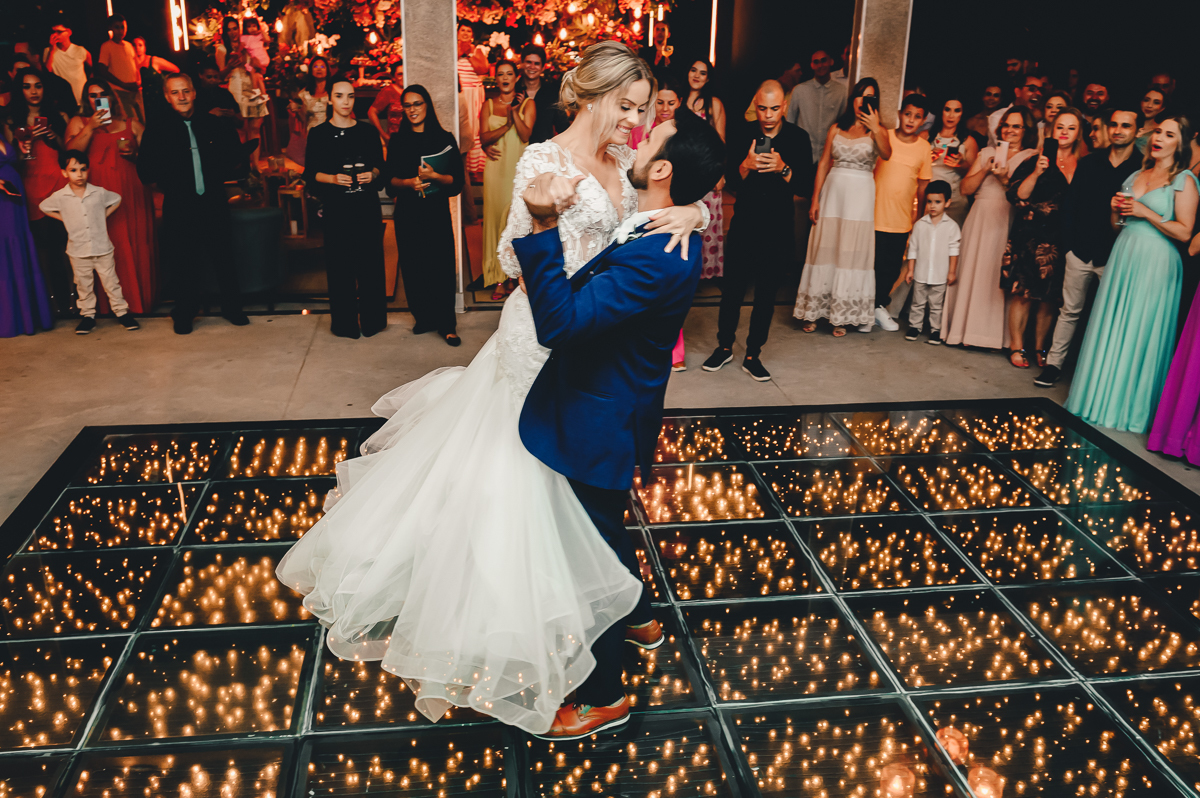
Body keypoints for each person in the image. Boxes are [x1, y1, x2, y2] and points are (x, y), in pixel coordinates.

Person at [274, 40, 706, 737]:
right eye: (626, 107)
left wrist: (696, 212)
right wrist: (549, 229)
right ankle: (573, 623)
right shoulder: (542, 159)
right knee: (537, 496)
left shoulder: (627, 161)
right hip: (542, 335)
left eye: (642, 111)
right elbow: (510, 254)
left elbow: (656, 209)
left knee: (580, 502)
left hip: (591, 340)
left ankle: (617, 615)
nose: (635, 122)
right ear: (590, 96)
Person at [512, 112, 724, 738]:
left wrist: (543, 226)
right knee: (603, 527)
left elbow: (561, 325)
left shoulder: (656, 257)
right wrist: (697, 210)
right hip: (612, 406)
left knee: (590, 557)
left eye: (649, 138)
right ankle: (641, 615)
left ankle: (603, 697)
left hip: (598, 417)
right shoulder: (663, 224)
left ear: (662, 170)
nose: (635, 136)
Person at [1070, 115, 1198, 434]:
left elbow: (1185, 232)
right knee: (1112, 324)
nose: (1159, 138)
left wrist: (1145, 212)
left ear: (1180, 144)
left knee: (1140, 329)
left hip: (1157, 261)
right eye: (1158, 132)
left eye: (1169, 134)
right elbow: (1119, 227)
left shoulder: (1184, 180)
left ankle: (1126, 407)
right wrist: (1116, 211)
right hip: (1124, 253)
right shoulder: (1135, 175)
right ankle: (1097, 397)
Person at [703, 79, 810, 380]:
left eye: (774, 108)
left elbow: (805, 186)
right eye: (762, 108)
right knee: (732, 291)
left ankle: (753, 354)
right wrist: (746, 166)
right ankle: (724, 347)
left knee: (766, 294)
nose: (768, 115)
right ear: (755, 105)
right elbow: (730, 182)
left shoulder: (798, 138)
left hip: (778, 227)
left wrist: (783, 168)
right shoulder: (743, 133)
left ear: (784, 106)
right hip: (745, 224)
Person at [1034, 104, 1143, 387]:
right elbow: (1071, 206)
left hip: (1116, 255)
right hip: (1080, 251)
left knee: (1109, 315)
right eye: (1114, 124)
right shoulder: (1090, 162)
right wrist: (1070, 247)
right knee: (1069, 311)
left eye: (1126, 125)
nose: (1118, 130)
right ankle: (1053, 365)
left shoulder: (1142, 168)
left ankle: (1096, 373)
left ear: (1138, 130)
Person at [137, 73, 248, 334]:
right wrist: (171, 184)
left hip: (213, 200)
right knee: (183, 260)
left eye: (186, 91)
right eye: (175, 92)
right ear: (167, 97)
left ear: (194, 93)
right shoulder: (157, 129)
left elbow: (234, 157)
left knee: (224, 256)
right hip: (180, 203)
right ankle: (185, 313)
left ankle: (232, 308)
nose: (182, 97)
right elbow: (146, 170)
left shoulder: (213, 124)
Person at [794, 78, 890, 336]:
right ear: (852, 99)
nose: (862, 101)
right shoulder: (836, 128)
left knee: (850, 251)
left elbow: (887, 154)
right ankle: (814, 311)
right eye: (859, 95)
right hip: (833, 194)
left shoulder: (879, 131)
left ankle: (841, 316)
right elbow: (824, 163)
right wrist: (815, 198)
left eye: (869, 96)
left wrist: (876, 127)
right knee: (825, 249)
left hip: (860, 197)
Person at [942, 107, 1038, 348]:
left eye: (1016, 126)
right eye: (1006, 125)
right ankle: (964, 331)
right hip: (980, 216)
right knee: (973, 270)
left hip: (1008, 219)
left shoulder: (1032, 157)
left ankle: (993, 337)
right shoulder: (986, 152)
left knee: (996, 276)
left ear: (1025, 130)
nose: (1009, 130)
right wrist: (985, 168)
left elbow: (1027, 197)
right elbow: (965, 189)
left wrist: (1005, 180)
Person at [1002, 107, 1085, 368]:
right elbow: (1017, 196)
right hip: (1030, 236)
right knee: (1023, 293)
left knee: (1050, 298)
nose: (1065, 132)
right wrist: (1037, 173)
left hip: (1062, 239)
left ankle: (1040, 348)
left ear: (1078, 133)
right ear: (1051, 129)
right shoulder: (1033, 160)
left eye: (1071, 128)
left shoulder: (1084, 164)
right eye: (1060, 127)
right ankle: (1017, 347)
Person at [64, 79, 155, 315]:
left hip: (131, 191)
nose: (98, 99)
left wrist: (135, 155)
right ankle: (109, 306)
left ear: (112, 98)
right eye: (93, 95)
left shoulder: (131, 124)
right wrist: (91, 126)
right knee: (106, 246)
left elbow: (153, 160)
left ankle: (138, 302)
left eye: (103, 94)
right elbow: (70, 155)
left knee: (134, 241)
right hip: (98, 194)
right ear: (87, 100)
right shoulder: (79, 122)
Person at [305, 77, 386, 339]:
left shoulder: (367, 132)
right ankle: (344, 324)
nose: (346, 101)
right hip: (337, 210)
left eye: (350, 96)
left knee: (370, 266)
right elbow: (310, 175)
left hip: (366, 208)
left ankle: (373, 322)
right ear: (330, 99)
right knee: (340, 268)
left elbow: (381, 167)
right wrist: (332, 178)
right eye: (339, 96)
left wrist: (373, 174)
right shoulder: (319, 134)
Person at [385, 84, 465, 345]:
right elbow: (389, 183)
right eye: (407, 105)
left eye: (417, 104)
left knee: (441, 266)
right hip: (408, 213)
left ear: (427, 105)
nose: (412, 110)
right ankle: (424, 318)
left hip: (436, 212)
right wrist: (408, 183)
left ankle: (447, 325)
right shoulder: (398, 141)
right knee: (413, 266)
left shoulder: (444, 139)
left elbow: (457, 183)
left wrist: (436, 176)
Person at [39, 149, 138, 333]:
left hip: (102, 248)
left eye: (83, 169)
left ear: (88, 170)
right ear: (64, 173)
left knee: (111, 282)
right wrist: (64, 219)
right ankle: (88, 316)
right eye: (73, 170)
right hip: (78, 250)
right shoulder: (60, 196)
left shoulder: (98, 192)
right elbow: (43, 206)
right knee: (83, 285)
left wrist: (103, 215)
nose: (79, 174)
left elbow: (116, 199)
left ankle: (122, 313)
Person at [9, 68, 72, 316]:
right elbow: (12, 162)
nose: (33, 91)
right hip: (32, 186)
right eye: (27, 86)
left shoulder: (58, 116)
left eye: (38, 85)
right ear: (20, 90)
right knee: (42, 248)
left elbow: (70, 153)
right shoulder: (12, 121)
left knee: (66, 244)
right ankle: (50, 303)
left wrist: (54, 136)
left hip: (59, 184)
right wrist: (25, 145)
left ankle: (73, 300)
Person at [870, 93, 933, 332]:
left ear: (923, 121)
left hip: (901, 220)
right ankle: (864, 308)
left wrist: (918, 220)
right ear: (899, 114)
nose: (911, 120)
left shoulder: (924, 148)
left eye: (917, 117)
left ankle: (878, 307)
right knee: (871, 266)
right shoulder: (884, 137)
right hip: (874, 217)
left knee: (891, 267)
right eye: (907, 114)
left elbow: (923, 187)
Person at [481, 61, 535, 298]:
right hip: (495, 170)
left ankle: (514, 275)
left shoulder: (528, 104)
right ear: (496, 79)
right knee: (494, 223)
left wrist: (514, 111)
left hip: (517, 172)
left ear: (516, 78)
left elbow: (525, 135)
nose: (505, 78)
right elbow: (483, 138)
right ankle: (497, 278)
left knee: (515, 224)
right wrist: (506, 126)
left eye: (509, 74)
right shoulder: (488, 104)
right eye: (500, 74)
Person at [0, 132, 54, 337]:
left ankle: (28, 316)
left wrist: (22, 153)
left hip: (14, 195)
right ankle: (10, 318)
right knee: (5, 248)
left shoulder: (2, 132)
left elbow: (13, 163)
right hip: (2, 197)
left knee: (19, 245)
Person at [684, 59, 726, 282]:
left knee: (705, 224)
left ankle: (703, 273)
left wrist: (720, 173)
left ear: (708, 78)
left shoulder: (714, 104)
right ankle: (685, 273)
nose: (697, 76)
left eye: (702, 73)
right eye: (693, 70)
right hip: (682, 171)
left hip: (706, 170)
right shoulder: (678, 101)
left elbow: (721, 140)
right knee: (685, 223)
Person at [903, 180, 960, 344]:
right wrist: (911, 270)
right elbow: (913, 249)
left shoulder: (952, 227)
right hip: (921, 272)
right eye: (929, 202)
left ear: (947, 203)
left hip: (940, 274)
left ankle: (935, 330)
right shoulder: (920, 225)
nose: (932, 206)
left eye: (937, 202)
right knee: (917, 303)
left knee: (936, 305)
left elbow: (954, 251)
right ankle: (915, 327)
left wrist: (951, 272)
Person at [787, 49, 847, 165]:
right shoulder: (799, 90)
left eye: (823, 60)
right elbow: (789, 122)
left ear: (831, 62)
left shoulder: (841, 91)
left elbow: (843, 124)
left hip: (829, 155)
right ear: (811, 65)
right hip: (801, 153)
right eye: (816, 62)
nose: (820, 65)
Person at [931, 96, 979, 226]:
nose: (951, 115)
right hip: (928, 196)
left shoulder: (968, 141)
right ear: (941, 111)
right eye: (947, 109)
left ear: (962, 114)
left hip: (954, 198)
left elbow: (973, 178)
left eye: (957, 110)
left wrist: (961, 164)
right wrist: (925, 158)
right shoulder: (926, 136)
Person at [97, 16, 143, 125]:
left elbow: (135, 67)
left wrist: (138, 83)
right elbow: (102, 70)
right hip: (119, 92)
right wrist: (123, 84)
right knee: (130, 123)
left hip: (134, 91)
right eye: (117, 27)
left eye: (123, 27)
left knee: (142, 122)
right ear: (111, 28)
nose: (120, 31)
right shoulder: (107, 46)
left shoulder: (129, 46)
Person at [519, 45, 563, 145]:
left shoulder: (551, 92)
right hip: (516, 150)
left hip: (543, 150)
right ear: (522, 64)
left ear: (543, 68)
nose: (532, 67)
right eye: (528, 62)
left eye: (537, 63)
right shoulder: (514, 90)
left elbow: (562, 126)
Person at [987, 75, 1044, 146]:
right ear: (1017, 92)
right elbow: (1003, 145)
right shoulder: (998, 116)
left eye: (1041, 90)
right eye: (1032, 89)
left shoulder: (1040, 120)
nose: (1039, 93)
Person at [132, 37, 179, 123]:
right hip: (142, 103)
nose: (137, 48)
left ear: (145, 47)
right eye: (134, 45)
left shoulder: (154, 60)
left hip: (158, 101)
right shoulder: (130, 63)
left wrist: (167, 85)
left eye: (140, 45)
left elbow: (175, 70)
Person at [43, 24, 90, 108]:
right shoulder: (48, 51)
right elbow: (46, 73)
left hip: (81, 96)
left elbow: (92, 68)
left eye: (59, 32)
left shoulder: (80, 50)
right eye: (53, 32)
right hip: (62, 97)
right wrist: (52, 50)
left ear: (69, 32)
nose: (55, 35)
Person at [368, 61, 406, 142]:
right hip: (394, 139)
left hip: (413, 137)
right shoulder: (388, 91)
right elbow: (372, 112)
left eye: (405, 73)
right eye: (400, 74)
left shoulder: (413, 90)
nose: (403, 77)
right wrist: (383, 134)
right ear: (393, 77)